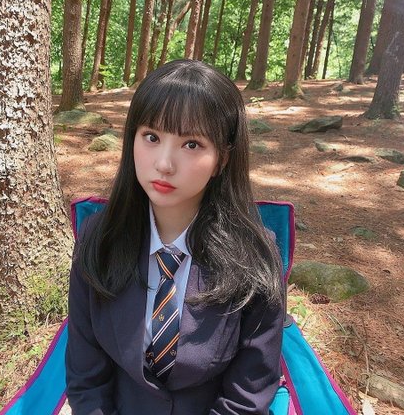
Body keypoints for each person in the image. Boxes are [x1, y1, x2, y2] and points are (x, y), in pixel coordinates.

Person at [66, 59, 284, 415]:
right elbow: (86, 378)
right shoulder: (98, 240)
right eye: (152, 137)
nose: (164, 164)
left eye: (192, 144)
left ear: (222, 159)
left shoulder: (254, 256)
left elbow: (249, 394)